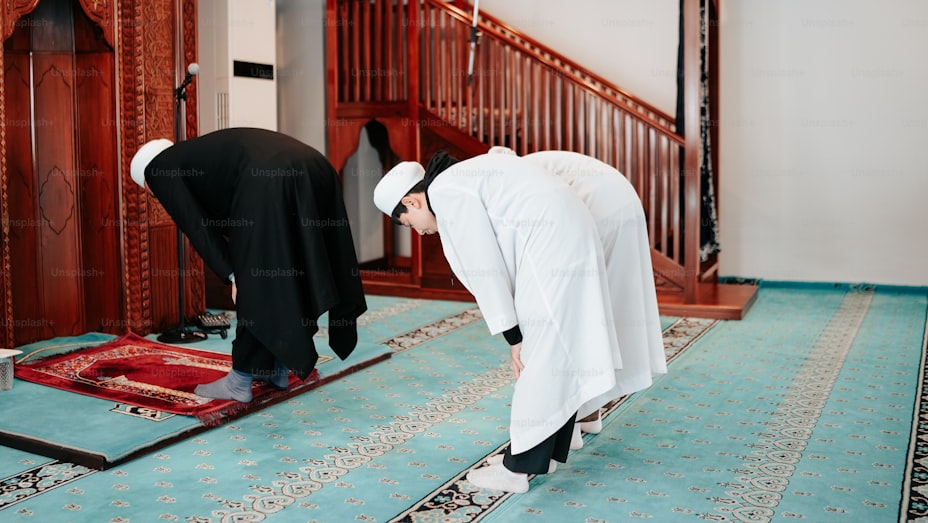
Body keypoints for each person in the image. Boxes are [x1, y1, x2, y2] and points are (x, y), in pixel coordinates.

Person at [373, 150, 621, 493]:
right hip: (568, 232)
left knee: (541, 354)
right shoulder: (460, 178)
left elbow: (483, 265)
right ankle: (546, 453)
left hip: (552, 244)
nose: (417, 232)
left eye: (408, 224)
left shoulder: (445, 192)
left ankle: (516, 468)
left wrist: (513, 336)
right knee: (559, 349)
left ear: (412, 202)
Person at [130, 127, 367, 403]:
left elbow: (198, 228)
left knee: (255, 283)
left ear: (146, 181)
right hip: (316, 165)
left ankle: (240, 380)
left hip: (269, 181)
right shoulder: (193, 157)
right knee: (288, 268)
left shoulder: (161, 169)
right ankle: (275, 364)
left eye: (151, 193)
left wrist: (233, 274)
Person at [490, 146, 667, 436]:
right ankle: (587, 416)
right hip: (620, 201)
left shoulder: (515, 182)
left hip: (601, 209)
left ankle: (572, 419)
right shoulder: (530, 169)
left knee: (578, 317)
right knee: (603, 310)